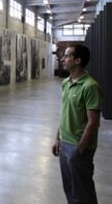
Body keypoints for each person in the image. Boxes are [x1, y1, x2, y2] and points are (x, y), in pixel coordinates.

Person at [52, 44, 102, 204]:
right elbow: (65, 112)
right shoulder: (66, 83)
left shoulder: (90, 86)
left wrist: (79, 149)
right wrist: (57, 138)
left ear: (78, 60)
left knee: (83, 193)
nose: (62, 59)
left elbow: (93, 123)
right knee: (70, 189)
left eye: (67, 56)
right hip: (64, 143)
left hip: (79, 147)